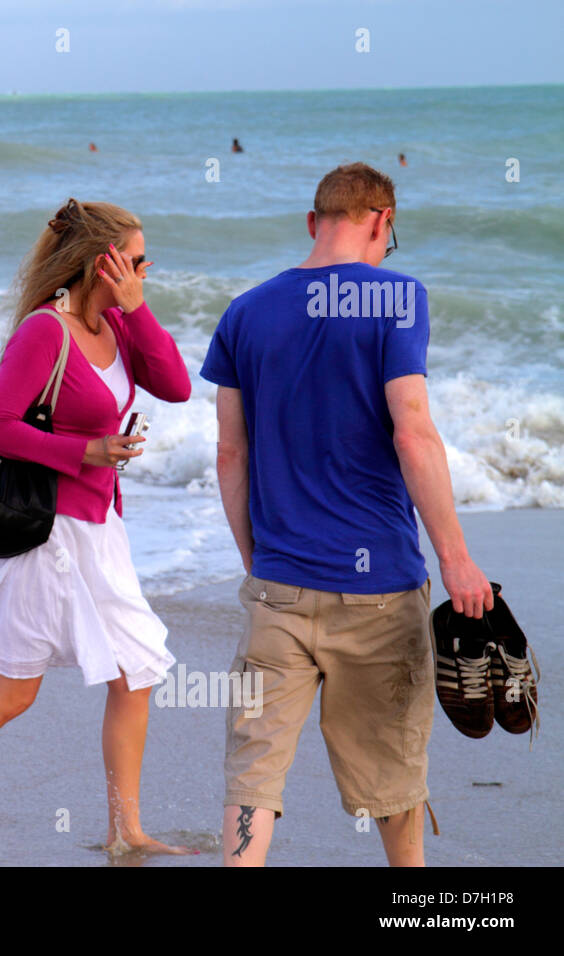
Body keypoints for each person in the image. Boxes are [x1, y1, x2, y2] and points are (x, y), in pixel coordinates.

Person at [200, 162, 493, 867]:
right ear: (381, 222)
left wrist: (258, 561)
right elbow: (412, 431)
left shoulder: (244, 312)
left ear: (313, 222)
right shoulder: (396, 298)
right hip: (381, 588)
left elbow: (229, 457)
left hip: (278, 588)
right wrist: (456, 557)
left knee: (253, 777)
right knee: (392, 776)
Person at [0, 198, 193, 862]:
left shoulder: (117, 324)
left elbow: (175, 386)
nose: (143, 271)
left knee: (135, 675)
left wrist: (136, 306)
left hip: (101, 531)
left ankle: (124, 829)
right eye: (134, 261)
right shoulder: (43, 332)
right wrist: (83, 453)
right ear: (99, 261)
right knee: (12, 691)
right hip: (45, 536)